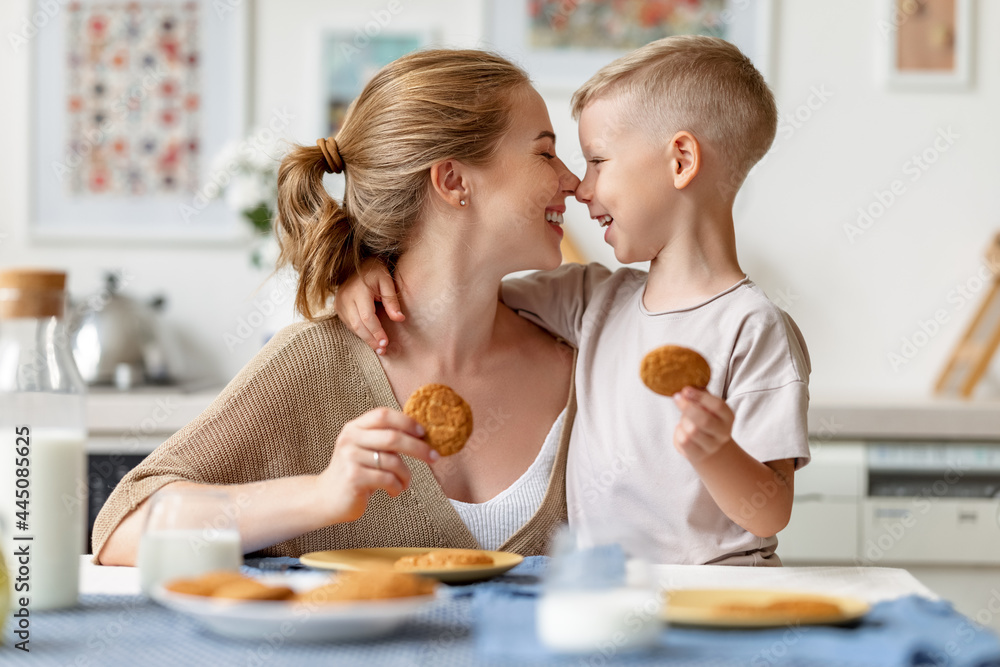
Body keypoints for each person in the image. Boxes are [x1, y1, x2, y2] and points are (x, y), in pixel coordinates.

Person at [91, 48, 582, 566]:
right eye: (545, 154)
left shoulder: (586, 367)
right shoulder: (312, 366)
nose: (572, 181)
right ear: (453, 180)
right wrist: (322, 494)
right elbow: (124, 529)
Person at [336, 36, 811, 565]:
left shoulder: (754, 328)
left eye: (597, 161)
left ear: (680, 160)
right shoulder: (592, 301)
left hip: (726, 593)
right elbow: (455, 296)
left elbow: (770, 512)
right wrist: (365, 272)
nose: (581, 189)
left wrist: (717, 451)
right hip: (606, 597)